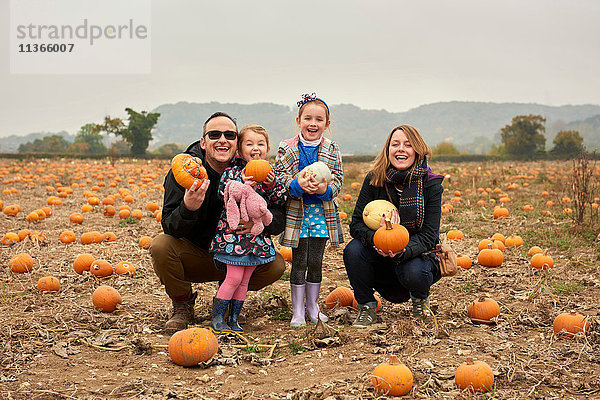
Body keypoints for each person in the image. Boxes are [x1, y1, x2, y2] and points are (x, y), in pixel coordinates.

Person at [150, 112, 286, 332]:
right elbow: (170, 226)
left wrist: (258, 221)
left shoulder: (253, 171)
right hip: (197, 253)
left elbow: (279, 217)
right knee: (160, 246)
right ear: (203, 142)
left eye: (230, 135)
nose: (222, 139)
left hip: (238, 253)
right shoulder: (185, 173)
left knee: (276, 265)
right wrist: (189, 208)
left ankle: (230, 303)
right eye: (214, 134)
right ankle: (182, 304)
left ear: (237, 144)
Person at [343, 124, 444, 328]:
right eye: (395, 144)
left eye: (408, 145)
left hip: (414, 257)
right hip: (379, 254)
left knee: (415, 272)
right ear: (387, 149)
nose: (401, 149)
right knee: (353, 250)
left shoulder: (431, 185)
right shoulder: (375, 179)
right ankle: (366, 307)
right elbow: (355, 225)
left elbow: (429, 236)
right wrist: (376, 238)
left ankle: (420, 302)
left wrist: (401, 250)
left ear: (417, 150)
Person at [274, 93, 344, 327]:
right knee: (299, 262)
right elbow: (279, 178)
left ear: (327, 124)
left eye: (318, 119)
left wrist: (325, 190)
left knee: (316, 261)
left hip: (322, 215)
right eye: (308, 118)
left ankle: (313, 308)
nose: (313, 124)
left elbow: (338, 181)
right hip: (298, 215)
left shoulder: (332, 149)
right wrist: (297, 185)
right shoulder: (287, 148)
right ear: (298, 121)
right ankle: (297, 311)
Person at [209, 125, 286, 333]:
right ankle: (217, 318)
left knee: (243, 281)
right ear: (240, 149)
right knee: (233, 277)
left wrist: (271, 186)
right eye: (249, 144)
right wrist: (240, 182)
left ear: (267, 148)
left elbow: (280, 199)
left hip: (255, 239)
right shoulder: (233, 171)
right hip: (233, 238)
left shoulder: (270, 174)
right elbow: (222, 193)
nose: (255, 148)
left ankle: (234, 319)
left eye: (260, 144)